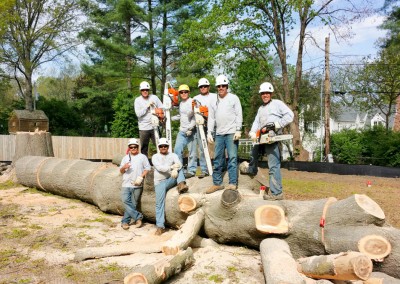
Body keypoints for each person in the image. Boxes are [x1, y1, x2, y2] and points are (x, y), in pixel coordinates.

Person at [247, 82, 294, 200]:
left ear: (271, 93)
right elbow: (256, 122)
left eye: (267, 93)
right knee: (252, 155)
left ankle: (277, 193)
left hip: (272, 137)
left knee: (273, 165)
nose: (265, 95)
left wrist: (278, 124)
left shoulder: (277, 103)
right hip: (261, 137)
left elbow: (290, 115)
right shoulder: (260, 108)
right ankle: (251, 170)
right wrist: (253, 132)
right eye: (263, 93)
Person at [206, 75, 243, 193]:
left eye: (223, 86)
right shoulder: (213, 101)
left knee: (232, 157)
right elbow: (211, 118)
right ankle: (217, 183)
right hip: (219, 133)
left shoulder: (234, 98)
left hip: (232, 132)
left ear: (227, 86)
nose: (221, 88)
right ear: (217, 87)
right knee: (217, 158)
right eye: (219, 86)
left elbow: (239, 114)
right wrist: (209, 132)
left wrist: (238, 129)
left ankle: (232, 183)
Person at [152, 138, 189, 235]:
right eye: (161, 146)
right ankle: (160, 226)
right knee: (159, 203)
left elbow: (179, 164)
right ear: (159, 147)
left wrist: (176, 168)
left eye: (165, 146)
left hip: (170, 179)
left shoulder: (173, 155)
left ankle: (181, 184)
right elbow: (159, 168)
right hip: (160, 182)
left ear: (168, 147)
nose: (163, 148)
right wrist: (171, 168)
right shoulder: (155, 156)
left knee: (180, 169)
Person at [119, 138, 151, 230]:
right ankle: (138, 217)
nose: (133, 148)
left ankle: (125, 222)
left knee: (133, 204)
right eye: (131, 147)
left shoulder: (142, 157)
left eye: (135, 147)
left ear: (138, 147)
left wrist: (141, 177)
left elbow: (147, 168)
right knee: (125, 201)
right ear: (129, 148)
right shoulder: (125, 158)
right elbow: (121, 171)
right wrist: (124, 167)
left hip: (137, 184)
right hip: (126, 184)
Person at [192, 77, 217, 178]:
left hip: (214, 125)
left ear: (209, 87)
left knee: (217, 146)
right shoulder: (196, 98)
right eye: (201, 86)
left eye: (205, 86)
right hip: (201, 125)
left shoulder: (215, 96)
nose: (203, 88)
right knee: (202, 148)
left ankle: (218, 167)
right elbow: (193, 112)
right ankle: (204, 169)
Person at [173, 84, 197, 178]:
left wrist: (191, 128)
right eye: (181, 92)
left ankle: (192, 170)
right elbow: (181, 116)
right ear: (179, 94)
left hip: (191, 131)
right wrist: (170, 118)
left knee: (192, 152)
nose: (183, 93)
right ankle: (180, 170)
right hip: (182, 131)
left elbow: (195, 115)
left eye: (185, 92)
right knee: (177, 150)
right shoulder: (181, 104)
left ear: (188, 92)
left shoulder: (192, 101)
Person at [134, 81, 163, 157]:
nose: (145, 91)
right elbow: (138, 114)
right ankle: (145, 164)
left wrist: (159, 113)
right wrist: (147, 106)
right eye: (143, 90)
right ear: (140, 91)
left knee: (160, 145)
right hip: (143, 128)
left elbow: (162, 107)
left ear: (148, 90)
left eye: (146, 90)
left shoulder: (154, 97)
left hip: (155, 126)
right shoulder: (137, 100)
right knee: (144, 148)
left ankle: (161, 161)